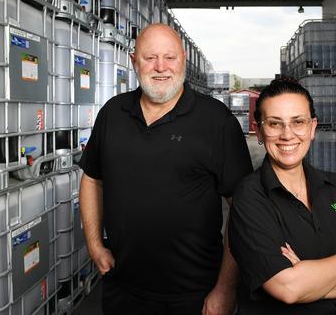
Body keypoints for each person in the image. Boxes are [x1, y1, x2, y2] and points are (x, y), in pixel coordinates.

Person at [78, 23, 253, 315]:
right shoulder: (113, 113)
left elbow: (243, 210)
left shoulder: (215, 121)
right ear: (134, 61)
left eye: (169, 57)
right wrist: (95, 245)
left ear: (183, 58)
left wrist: (225, 289)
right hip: (123, 289)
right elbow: (92, 179)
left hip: (194, 293)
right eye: (150, 58)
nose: (161, 67)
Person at [229, 78, 336, 314]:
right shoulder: (249, 198)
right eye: (274, 124)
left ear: (312, 128)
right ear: (259, 130)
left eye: (298, 122)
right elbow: (289, 288)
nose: (287, 135)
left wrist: (308, 283)